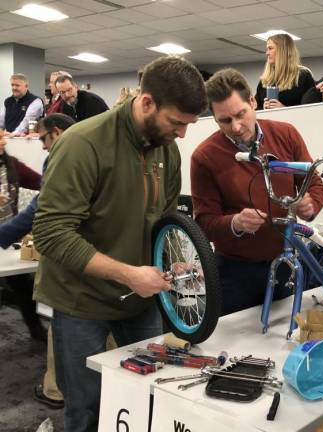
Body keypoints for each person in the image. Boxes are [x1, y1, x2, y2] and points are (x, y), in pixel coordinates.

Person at [32, 56, 208, 432]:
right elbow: (51, 232)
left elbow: (163, 217)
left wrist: (172, 256)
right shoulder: (83, 144)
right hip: (80, 300)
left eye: (188, 124)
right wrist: (128, 273)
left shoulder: (166, 150)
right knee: (86, 407)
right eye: (177, 122)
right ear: (147, 103)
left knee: (150, 393)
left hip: (140, 298)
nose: (182, 135)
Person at [191, 68, 323, 315]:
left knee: (285, 335)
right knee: (234, 346)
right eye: (225, 121)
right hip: (233, 274)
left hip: (285, 263)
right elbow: (204, 223)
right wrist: (236, 223)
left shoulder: (286, 134)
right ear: (214, 118)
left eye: (240, 114)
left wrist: (311, 203)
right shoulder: (205, 157)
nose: (237, 127)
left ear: (252, 101)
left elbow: (313, 183)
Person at [0, 113, 75, 409]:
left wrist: (5, 234)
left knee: (60, 318)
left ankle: (56, 389)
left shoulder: (22, 164)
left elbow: (43, 196)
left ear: (55, 133)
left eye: (43, 138)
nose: (42, 146)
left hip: (61, 256)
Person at [0, 133, 44, 343]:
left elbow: (43, 183)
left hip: (9, 237)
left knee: (22, 286)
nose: (4, 140)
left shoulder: (12, 165)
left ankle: (36, 330)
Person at [255, 33, 315, 110]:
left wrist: (284, 109)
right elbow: (256, 109)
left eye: (270, 48)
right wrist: (264, 109)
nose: (267, 53)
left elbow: (311, 108)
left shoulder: (303, 75)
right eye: (266, 49)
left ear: (282, 50)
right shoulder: (264, 80)